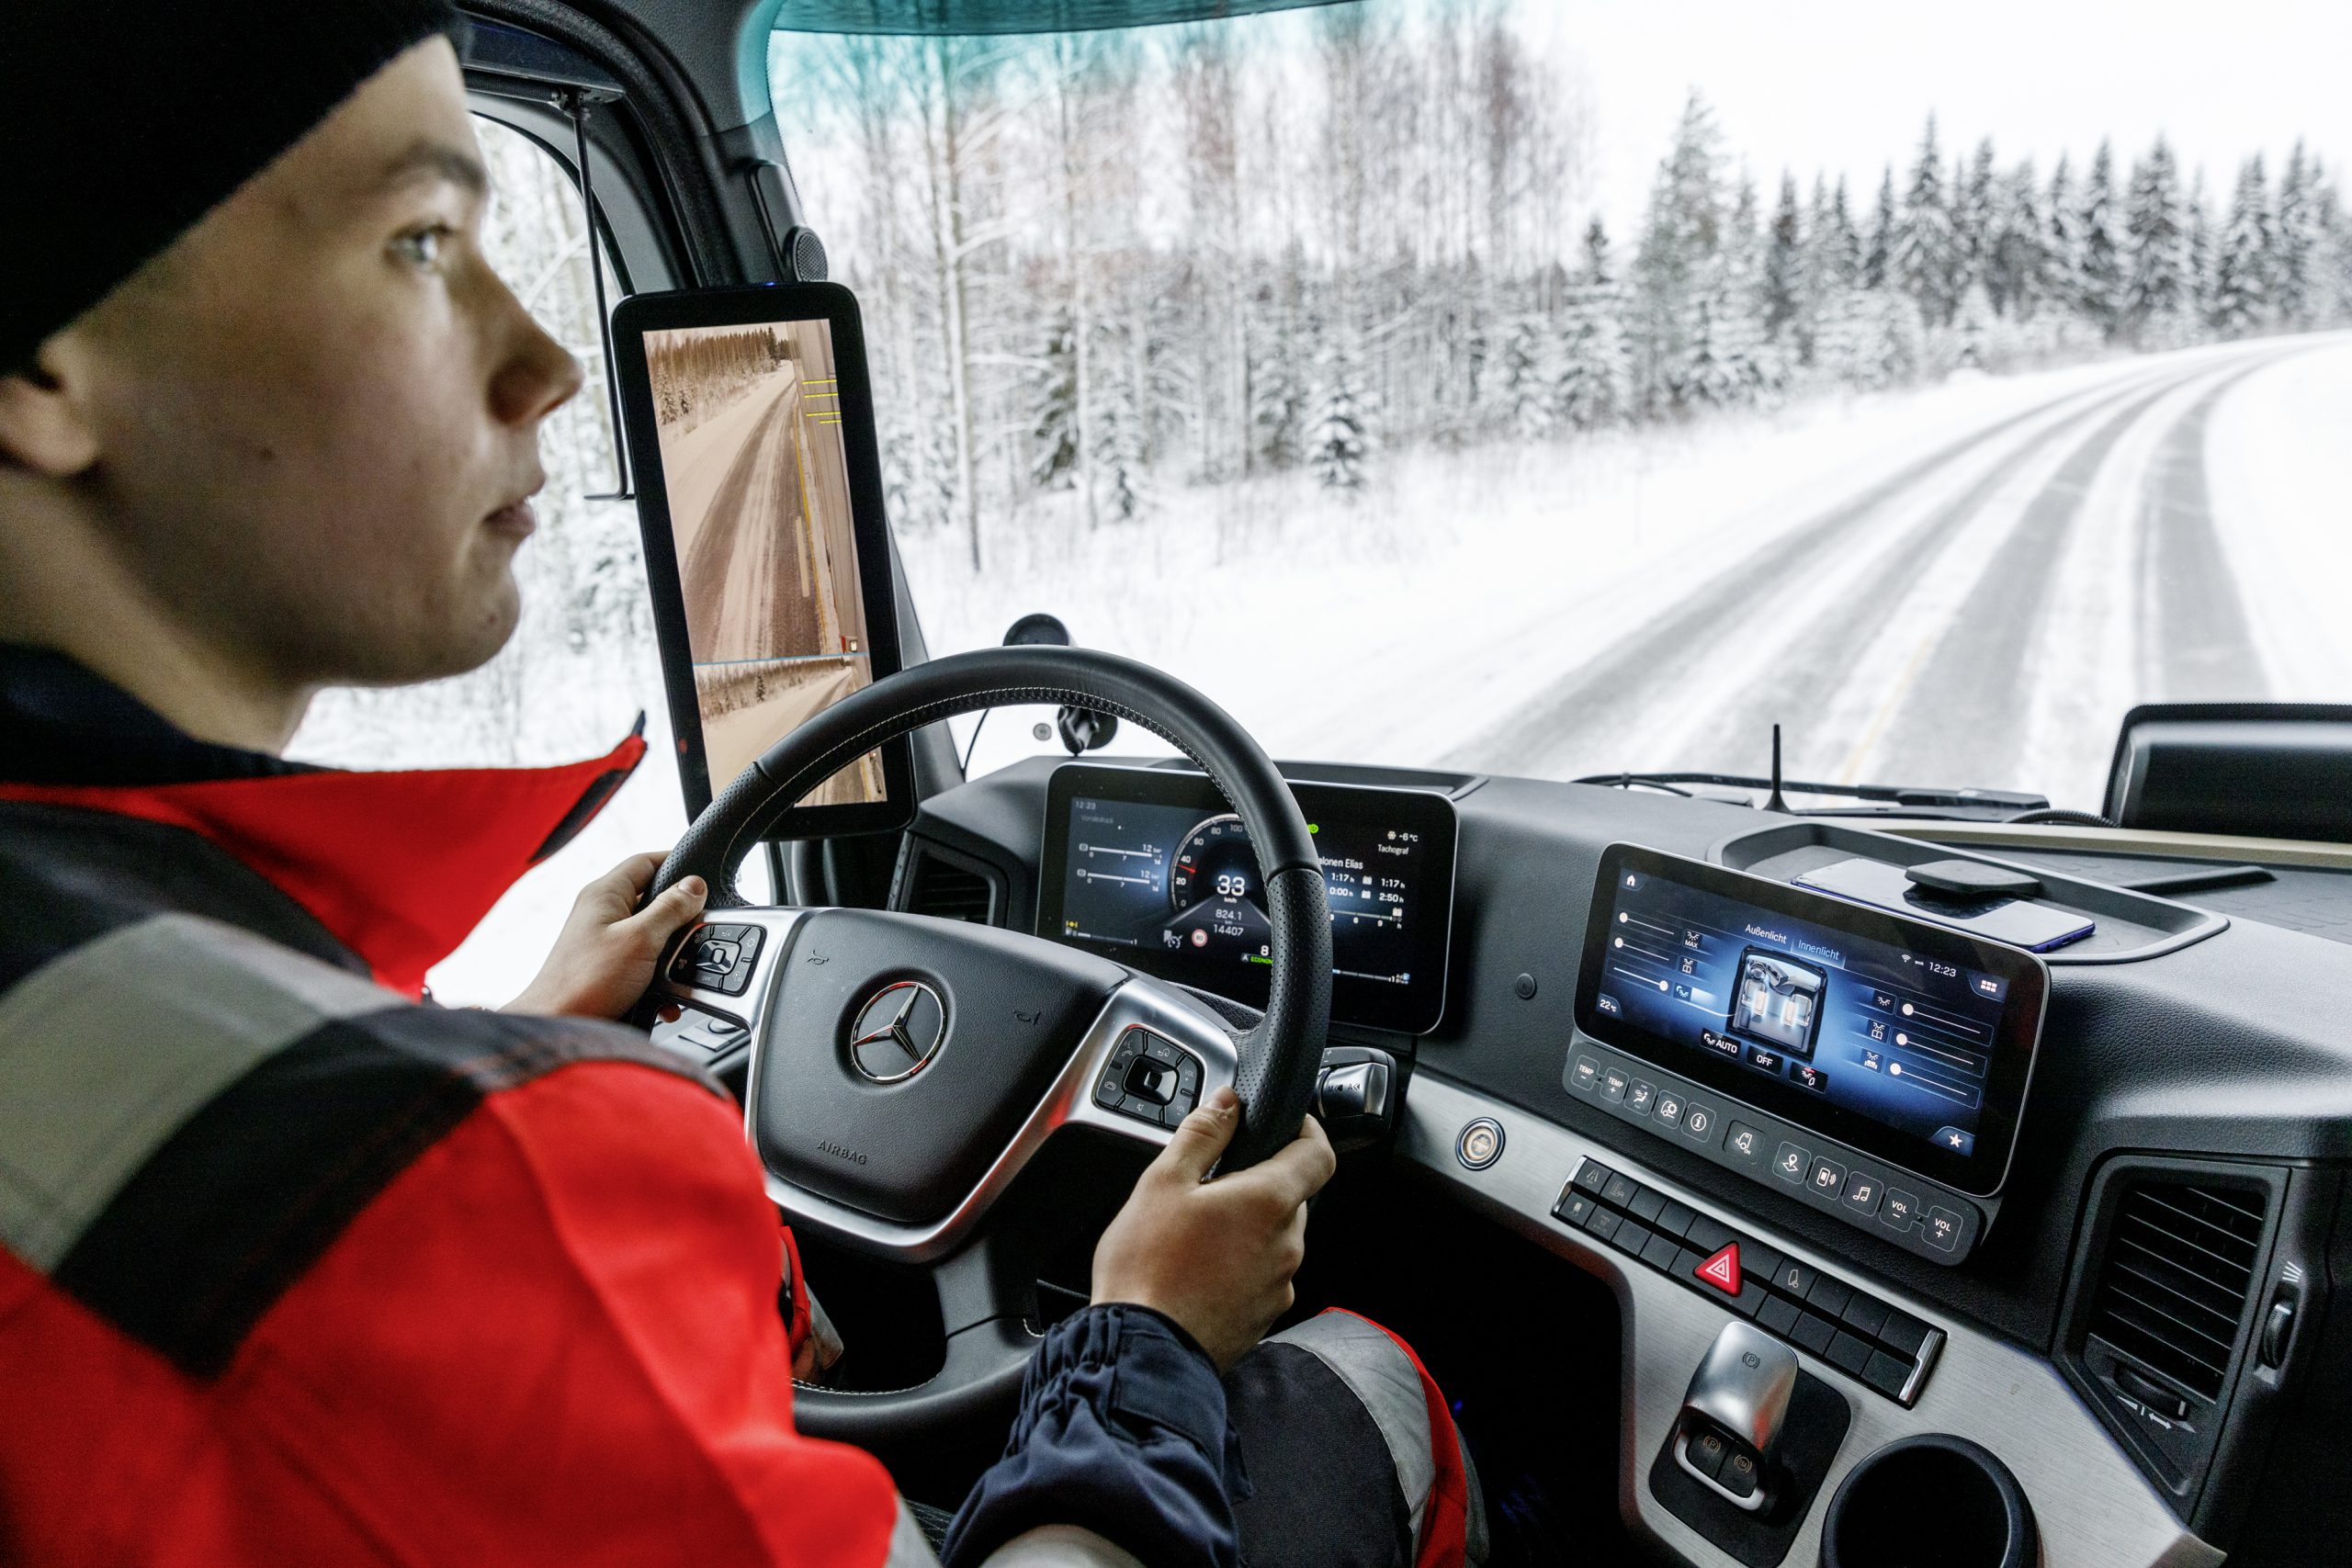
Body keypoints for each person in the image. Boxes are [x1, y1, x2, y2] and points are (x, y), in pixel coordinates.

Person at [0, 6, 1484, 1566]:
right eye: (422, 242)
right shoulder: (460, 1204)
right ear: (42, 370)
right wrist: (1145, 1335)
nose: (549, 367)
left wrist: (534, 1033)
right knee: (1366, 1378)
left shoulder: (129, 961)